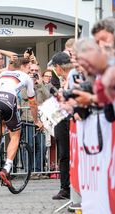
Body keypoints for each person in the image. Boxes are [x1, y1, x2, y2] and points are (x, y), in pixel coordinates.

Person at [0, 57, 43, 187]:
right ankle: (6, 168)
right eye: (29, 68)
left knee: (2, 123)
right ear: (23, 67)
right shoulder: (27, 78)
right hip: (7, 100)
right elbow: (33, 103)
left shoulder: (3, 73)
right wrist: (36, 120)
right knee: (15, 135)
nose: (30, 71)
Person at [49, 52, 74, 200]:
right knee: (64, 155)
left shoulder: (71, 78)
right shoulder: (65, 78)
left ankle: (67, 188)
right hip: (62, 118)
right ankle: (65, 187)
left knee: (65, 155)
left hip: (67, 119)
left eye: (54, 67)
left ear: (58, 67)